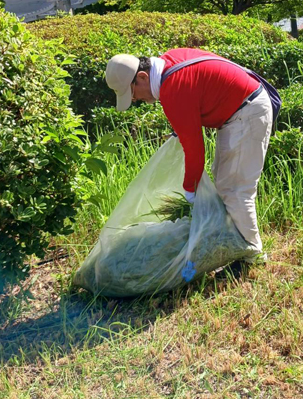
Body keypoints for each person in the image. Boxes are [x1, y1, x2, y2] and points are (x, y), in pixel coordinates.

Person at [105, 48, 276, 274]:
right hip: (243, 106)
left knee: (235, 189)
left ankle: (251, 256)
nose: (139, 100)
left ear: (142, 77)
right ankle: (238, 245)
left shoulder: (173, 89)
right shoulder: (170, 61)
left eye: (134, 95)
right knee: (225, 181)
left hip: (247, 112)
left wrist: (190, 191)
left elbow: (195, 149)